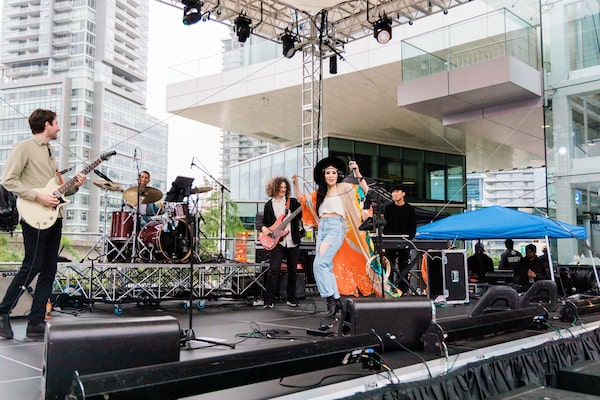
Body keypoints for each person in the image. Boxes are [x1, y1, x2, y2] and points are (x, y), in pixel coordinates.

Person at [0, 109, 86, 340]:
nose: (59, 127)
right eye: (56, 123)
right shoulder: (24, 147)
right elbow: (8, 180)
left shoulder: (50, 153)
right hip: (34, 215)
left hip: (54, 216)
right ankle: (2, 312)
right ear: (46, 125)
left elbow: (57, 190)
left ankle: (36, 322)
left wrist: (75, 186)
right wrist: (38, 197)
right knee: (32, 265)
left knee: (49, 269)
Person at [293, 157, 372, 317]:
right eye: (328, 173)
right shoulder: (320, 194)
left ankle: (331, 300)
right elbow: (302, 199)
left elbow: (365, 190)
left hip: (335, 227)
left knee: (319, 264)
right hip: (323, 228)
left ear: (338, 175)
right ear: (323, 176)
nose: (331, 175)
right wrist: (295, 183)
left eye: (333, 172)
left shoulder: (343, 187)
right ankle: (336, 301)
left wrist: (356, 171)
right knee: (326, 265)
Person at [259, 177, 303, 309]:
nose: (283, 190)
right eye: (280, 187)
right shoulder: (269, 205)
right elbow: (263, 223)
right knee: (274, 270)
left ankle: (291, 298)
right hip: (277, 242)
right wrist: (263, 228)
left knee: (293, 271)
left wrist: (296, 185)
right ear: (274, 188)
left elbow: (302, 211)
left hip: (292, 241)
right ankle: (269, 300)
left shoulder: (292, 202)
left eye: (285, 187)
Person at [383, 185, 417, 291]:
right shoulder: (388, 208)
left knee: (404, 265)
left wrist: (408, 237)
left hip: (405, 240)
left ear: (403, 194)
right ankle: (388, 288)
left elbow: (413, 227)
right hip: (391, 240)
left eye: (397, 191)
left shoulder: (410, 209)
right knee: (389, 264)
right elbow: (385, 226)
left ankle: (403, 289)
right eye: (393, 192)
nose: (394, 194)